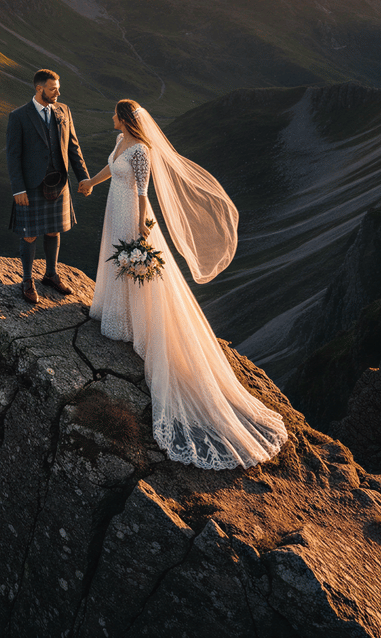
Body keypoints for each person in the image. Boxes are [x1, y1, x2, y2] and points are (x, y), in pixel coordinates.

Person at [82, 100, 287, 469]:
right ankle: (116, 314)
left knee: (134, 269)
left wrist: (143, 231)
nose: (111, 118)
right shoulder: (120, 143)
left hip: (131, 213)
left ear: (125, 118)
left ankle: (137, 323)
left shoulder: (142, 151)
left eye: (115, 114)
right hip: (113, 208)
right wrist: (91, 184)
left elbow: (143, 193)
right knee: (116, 265)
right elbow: (110, 170)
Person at [6, 69, 91, 304]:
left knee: (54, 230)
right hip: (31, 186)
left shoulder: (64, 111)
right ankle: (27, 280)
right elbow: (13, 156)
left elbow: (73, 147)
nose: (58, 92)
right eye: (53, 88)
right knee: (30, 235)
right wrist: (18, 189)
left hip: (59, 183)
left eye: (58, 88)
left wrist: (84, 178)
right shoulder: (19, 116)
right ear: (39, 88)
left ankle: (50, 275)